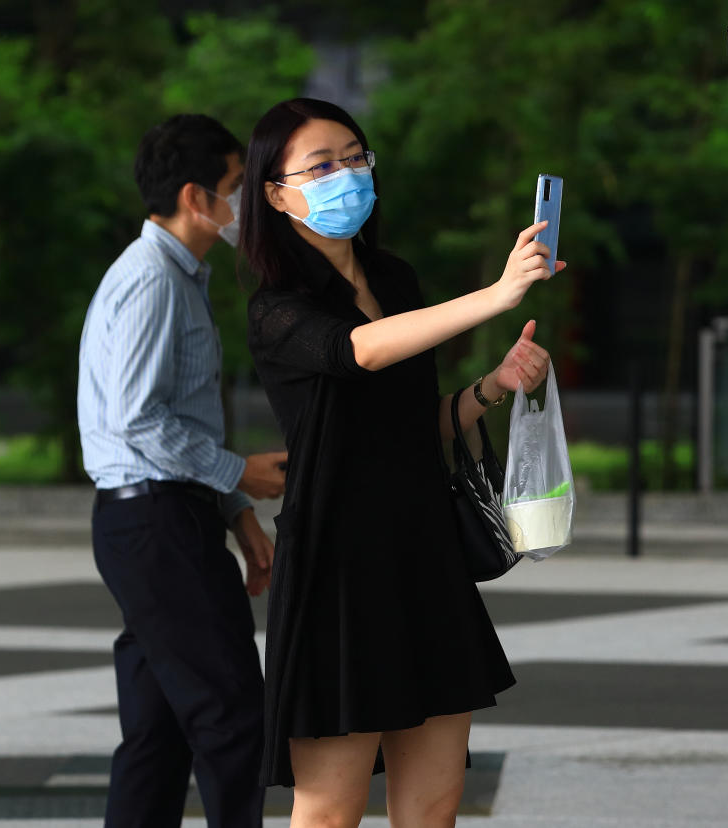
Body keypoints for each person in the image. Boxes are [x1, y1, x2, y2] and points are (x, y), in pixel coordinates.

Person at [240, 97, 560, 827]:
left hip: (422, 557)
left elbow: (414, 425)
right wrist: (498, 294)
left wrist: (493, 386)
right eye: (321, 165)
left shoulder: (396, 279)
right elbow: (358, 352)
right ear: (275, 192)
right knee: (329, 812)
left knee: (435, 807)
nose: (345, 175)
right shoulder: (278, 307)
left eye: (355, 158)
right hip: (338, 570)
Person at [77, 114, 289, 826]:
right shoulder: (153, 282)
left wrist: (236, 511)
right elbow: (138, 418)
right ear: (197, 197)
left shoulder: (178, 275)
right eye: (236, 187)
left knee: (160, 730)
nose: (244, 204)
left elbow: (177, 415)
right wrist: (241, 472)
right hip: (156, 520)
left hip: (161, 516)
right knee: (233, 718)